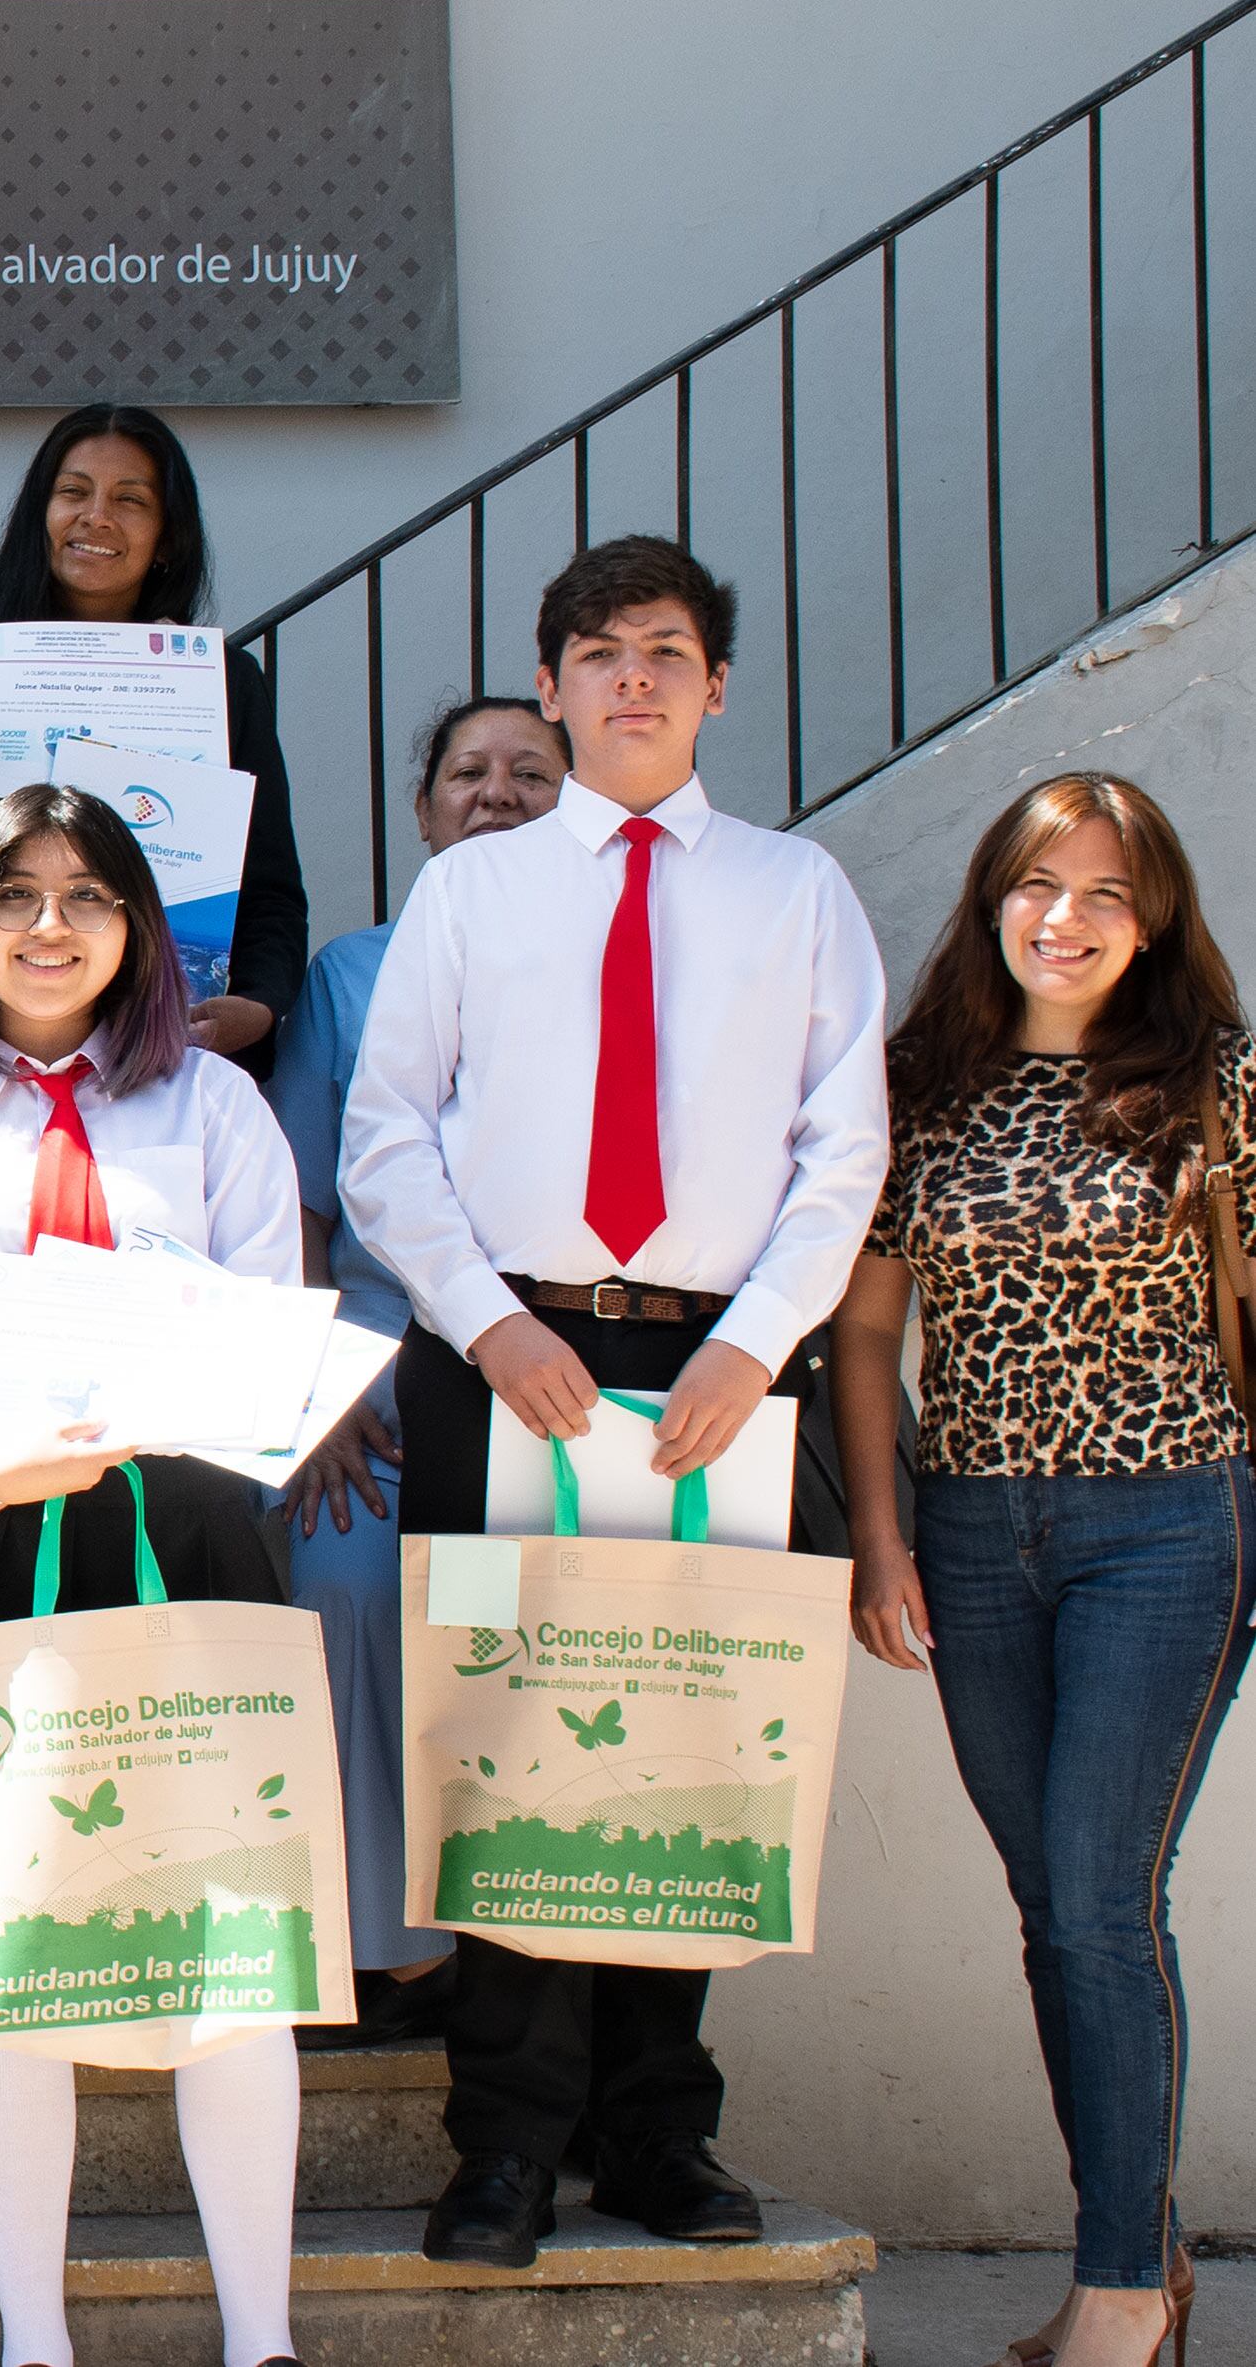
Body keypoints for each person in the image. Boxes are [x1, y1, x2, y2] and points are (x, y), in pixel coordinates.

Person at [342, 535, 887, 2271]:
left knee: (684, 1753)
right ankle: (500, 2144)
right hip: (513, 1353)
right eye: (594, 651)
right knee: (507, 1751)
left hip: (714, 1370)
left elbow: (842, 1145)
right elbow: (383, 1137)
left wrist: (758, 1338)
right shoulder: (472, 894)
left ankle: (658, 2132)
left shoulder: (792, 889)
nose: (630, 677)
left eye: (664, 649)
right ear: (552, 678)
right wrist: (484, 1322)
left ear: (712, 682)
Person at [0, 782, 311, 2367]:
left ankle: (261, 2338)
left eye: (87, 894)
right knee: (7, 1948)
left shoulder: (215, 1108)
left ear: (135, 929)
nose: (50, 925)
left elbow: (268, 1336)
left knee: (231, 1938)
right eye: (14, 893)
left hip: (179, 1536)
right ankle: (35, 2337)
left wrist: (147, 1423)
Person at [828, 774, 1248, 2367]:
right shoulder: (919, 1084)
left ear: (1152, 925)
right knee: (1051, 1908)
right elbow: (868, 1331)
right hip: (974, 1532)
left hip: (1166, 1521)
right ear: (991, 896)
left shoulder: (1215, 1081)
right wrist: (881, 1536)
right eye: (1035, 884)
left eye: (1103, 895)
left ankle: (1122, 2293)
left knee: (1094, 1902)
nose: (1062, 918)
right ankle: (1134, 2258)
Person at [262, 694, 568, 2049]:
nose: (494, 792)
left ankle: (495, 1949)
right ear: (421, 805)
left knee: (520, 1640)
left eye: (527, 771)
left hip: (562, 1358)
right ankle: (367, 1944)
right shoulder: (351, 971)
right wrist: (310, 1384)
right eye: (467, 771)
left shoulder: (601, 956)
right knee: (337, 1584)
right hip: (382, 1360)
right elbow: (304, 1201)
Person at [0, 405, 310, 1059]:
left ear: (168, 537)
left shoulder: (222, 684)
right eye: (73, 492)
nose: (96, 516)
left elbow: (270, 887)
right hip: (0, 1040)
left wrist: (260, 1007)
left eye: (131, 500)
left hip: (169, 1038)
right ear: (39, 515)